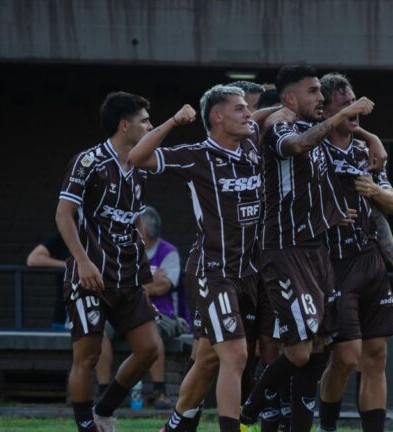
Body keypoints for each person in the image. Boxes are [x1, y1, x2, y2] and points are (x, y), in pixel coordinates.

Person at [239, 64, 378, 432]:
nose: (320, 98)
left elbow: (352, 163)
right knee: (298, 350)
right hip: (284, 250)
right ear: (290, 97)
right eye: (313, 92)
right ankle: (253, 402)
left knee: (319, 346)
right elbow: (297, 146)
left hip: (316, 250)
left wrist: (334, 213)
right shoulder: (281, 127)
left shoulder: (306, 127)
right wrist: (345, 113)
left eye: (321, 91)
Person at [56, 91, 193, 432]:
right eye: (145, 120)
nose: (149, 125)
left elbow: (131, 225)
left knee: (149, 349)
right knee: (86, 357)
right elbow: (63, 215)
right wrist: (83, 262)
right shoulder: (88, 162)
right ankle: (86, 425)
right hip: (90, 278)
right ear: (124, 125)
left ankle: (104, 410)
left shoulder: (138, 169)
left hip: (128, 280)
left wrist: (143, 277)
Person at [129, 85, 263, 432]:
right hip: (213, 270)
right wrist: (174, 121)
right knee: (236, 354)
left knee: (206, 359)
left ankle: (176, 426)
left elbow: (274, 114)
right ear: (216, 117)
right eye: (239, 109)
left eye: (248, 110)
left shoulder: (250, 144)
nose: (248, 114)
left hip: (247, 271)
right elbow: (138, 158)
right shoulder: (195, 155)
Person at [315, 73, 393, 432]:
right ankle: (328, 426)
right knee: (345, 357)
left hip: (369, 262)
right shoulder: (314, 148)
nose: (356, 109)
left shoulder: (365, 151)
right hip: (331, 263)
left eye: (355, 101)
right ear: (327, 109)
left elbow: (391, 205)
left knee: (376, 355)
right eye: (346, 103)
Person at [94, 206, 190, 410]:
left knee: (152, 329)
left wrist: (135, 285)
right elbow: (117, 283)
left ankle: (159, 391)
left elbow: (163, 286)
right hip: (125, 310)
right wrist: (147, 283)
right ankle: (103, 390)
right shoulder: (126, 249)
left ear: (143, 232)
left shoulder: (169, 252)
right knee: (100, 330)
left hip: (163, 314)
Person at [26, 232, 70, 330]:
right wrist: (70, 265)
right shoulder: (62, 237)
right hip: (64, 315)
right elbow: (33, 259)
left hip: (96, 312)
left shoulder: (99, 234)